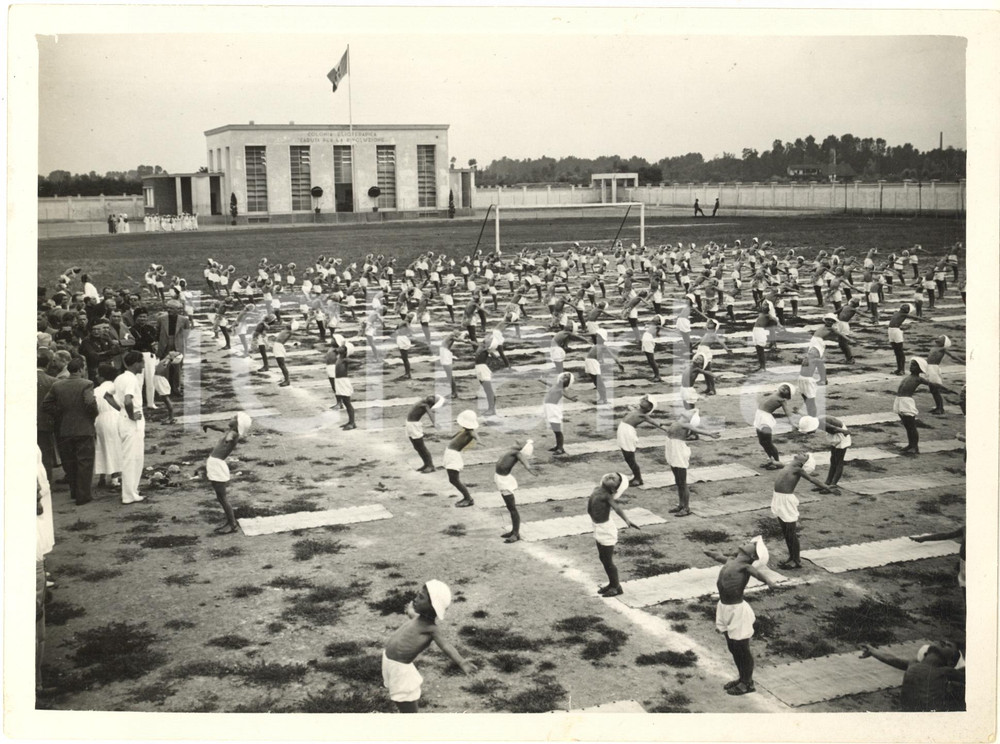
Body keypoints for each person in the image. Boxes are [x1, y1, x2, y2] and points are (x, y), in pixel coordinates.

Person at [382, 580, 477, 712]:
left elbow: (445, 645)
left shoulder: (431, 628)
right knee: (402, 697)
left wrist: (461, 662)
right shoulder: (418, 617)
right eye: (417, 595)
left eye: (421, 597)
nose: (415, 599)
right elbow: (411, 613)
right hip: (389, 662)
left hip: (400, 668)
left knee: (404, 699)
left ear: (433, 606)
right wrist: (410, 608)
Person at [704, 536, 779, 696]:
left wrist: (769, 582)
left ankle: (748, 682)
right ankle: (742, 678)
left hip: (737, 611)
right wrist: (708, 552)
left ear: (753, 556)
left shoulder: (745, 566)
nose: (747, 542)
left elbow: (758, 574)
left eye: (751, 544)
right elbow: (718, 556)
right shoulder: (731, 560)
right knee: (732, 646)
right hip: (723, 608)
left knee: (742, 648)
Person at [41, 358, 98, 506]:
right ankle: (83, 495)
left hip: (64, 429)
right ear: (80, 369)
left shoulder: (57, 385)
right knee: (84, 462)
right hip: (84, 428)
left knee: (70, 462)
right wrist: (91, 416)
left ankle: (74, 491)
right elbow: (90, 403)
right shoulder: (87, 384)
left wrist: (60, 413)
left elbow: (46, 405)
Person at [770, 453, 835, 569]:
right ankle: (791, 557)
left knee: (790, 532)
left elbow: (812, 479)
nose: (802, 453)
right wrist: (774, 462)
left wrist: (826, 487)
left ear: (803, 462)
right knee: (785, 532)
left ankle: (796, 560)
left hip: (786, 501)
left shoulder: (798, 469)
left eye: (805, 455)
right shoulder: (790, 465)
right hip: (777, 498)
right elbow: (781, 465)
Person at [859, 641, 965, 711]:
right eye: (943, 642)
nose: (944, 642)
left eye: (949, 646)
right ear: (926, 654)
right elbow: (892, 659)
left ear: (950, 662)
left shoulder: (945, 671)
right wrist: (873, 651)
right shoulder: (913, 663)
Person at [201, 412, 253, 534]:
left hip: (217, 466)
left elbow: (230, 437)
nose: (231, 418)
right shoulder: (230, 430)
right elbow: (219, 428)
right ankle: (229, 522)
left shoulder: (233, 434)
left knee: (222, 498)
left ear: (238, 424)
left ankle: (232, 524)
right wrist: (208, 426)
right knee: (220, 497)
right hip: (214, 464)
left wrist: (228, 439)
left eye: (234, 418)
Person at [587, 472, 637, 597]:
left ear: (614, 489)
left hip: (606, 530)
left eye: (615, 479)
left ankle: (616, 586)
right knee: (602, 558)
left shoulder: (607, 496)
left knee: (608, 560)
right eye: (611, 475)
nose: (611, 476)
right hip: (598, 527)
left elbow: (617, 508)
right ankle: (612, 583)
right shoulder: (597, 489)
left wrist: (627, 520)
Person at [894, 357, 957, 455]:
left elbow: (934, 385)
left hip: (907, 402)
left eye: (914, 365)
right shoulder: (909, 377)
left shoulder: (918, 379)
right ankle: (910, 445)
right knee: (906, 425)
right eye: (911, 364)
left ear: (920, 369)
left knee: (911, 426)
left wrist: (948, 390)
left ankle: (915, 447)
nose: (911, 366)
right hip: (899, 401)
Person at [665, 408, 722, 516]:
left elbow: (699, 430)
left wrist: (710, 434)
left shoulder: (686, 424)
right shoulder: (677, 422)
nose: (689, 411)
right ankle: (681, 505)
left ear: (690, 418)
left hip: (679, 452)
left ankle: (686, 508)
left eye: (691, 413)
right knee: (678, 481)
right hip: (672, 450)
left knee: (682, 482)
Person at [114, 351, 146, 505]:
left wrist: (121, 409)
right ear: (135, 363)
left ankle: (132, 490)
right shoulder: (131, 379)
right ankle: (128, 494)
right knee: (132, 458)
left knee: (134, 456)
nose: (144, 365)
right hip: (132, 420)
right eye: (142, 362)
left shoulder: (120, 377)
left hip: (124, 417)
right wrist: (131, 414)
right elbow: (128, 401)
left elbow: (108, 395)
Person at [616, 396, 669, 487]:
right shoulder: (637, 409)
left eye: (646, 401)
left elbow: (656, 423)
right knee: (627, 458)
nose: (644, 400)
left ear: (649, 408)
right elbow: (632, 406)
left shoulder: (643, 416)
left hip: (628, 434)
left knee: (630, 458)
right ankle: (637, 477)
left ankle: (638, 478)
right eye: (644, 399)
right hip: (623, 432)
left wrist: (669, 430)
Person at [495, 440, 537, 543]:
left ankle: (515, 533)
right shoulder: (512, 451)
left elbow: (526, 463)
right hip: (500, 479)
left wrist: (531, 470)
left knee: (512, 508)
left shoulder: (517, 453)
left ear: (522, 449)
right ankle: (514, 531)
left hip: (505, 482)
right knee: (510, 507)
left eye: (520, 444)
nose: (518, 441)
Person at [911, 525, 966, 602]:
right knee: (964, 587)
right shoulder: (966, 528)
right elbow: (946, 535)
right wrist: (924, 538)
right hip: (964, 563)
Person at [93, 363, 123, 490]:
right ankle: (115, 477)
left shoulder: (96, 390)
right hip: (116, 417)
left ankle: (102, 477)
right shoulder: (116, 387)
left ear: (101, 377)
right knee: (115, 446)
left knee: (101, 446)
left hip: (101, 418)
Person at [754, 383, 796, 469]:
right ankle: (771, 460)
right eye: (784, 386)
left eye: (787, 390)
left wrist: (793, 423)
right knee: (762, 442)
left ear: (787, 395)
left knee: (768, 442)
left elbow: (787, 412)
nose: (784, 388)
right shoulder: (772, 393)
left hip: (765, 419)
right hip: (759, 416)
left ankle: (777, 462)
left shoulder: (782, 400)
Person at [445, 410, 479, 507]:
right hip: (450, 454)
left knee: (454, 480)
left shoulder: (470, 431)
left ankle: (468, 498)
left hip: (453, 456)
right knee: (453, 479)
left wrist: (478, 440)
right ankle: (467, 498)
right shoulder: (465, 430)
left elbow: (473, 434)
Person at [541, 372, 578, 456]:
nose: (563, 377)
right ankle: (558, 446)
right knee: (555, 430)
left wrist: (572, 399)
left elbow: (566, 395)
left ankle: (561, 448)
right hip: (549, 409)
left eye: (566, 378)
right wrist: (541, 380)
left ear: (567, 383)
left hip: (553, 410)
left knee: (557, 430)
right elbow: (548, 384)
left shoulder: (560, 389)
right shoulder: (555, 385)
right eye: (564, 376)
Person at [925, 335, 963, 415]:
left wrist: (962, 362)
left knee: (935, 389)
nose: (938, 338)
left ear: (943, 342)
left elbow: (953, 356)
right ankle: (938, 407)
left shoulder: (942, 349)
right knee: (932, 390)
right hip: (929, 368)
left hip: (933, 369)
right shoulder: (934, 347)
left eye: (941, 338)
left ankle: (940, 408)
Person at [406, 395, 445, 473]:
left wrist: (434, 423)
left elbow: (430, 414)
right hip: (409, 425)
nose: (430, 397)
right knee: (416, 447)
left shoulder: (425, 405)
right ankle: (426, 464)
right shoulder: (423, 401)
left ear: (431, 404)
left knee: (421, 447)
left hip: (414, 426)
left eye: (433, 398)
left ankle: (431, 466)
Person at [887, 304, 921, 376]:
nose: (903, 308)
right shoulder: (897, 313)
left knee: (900, 351)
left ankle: (902, 370)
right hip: (891, 331)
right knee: (896, 351)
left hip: (896, 331)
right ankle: (899, 369)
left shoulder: (903, 314)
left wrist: (922, 319)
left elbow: (913, 317)